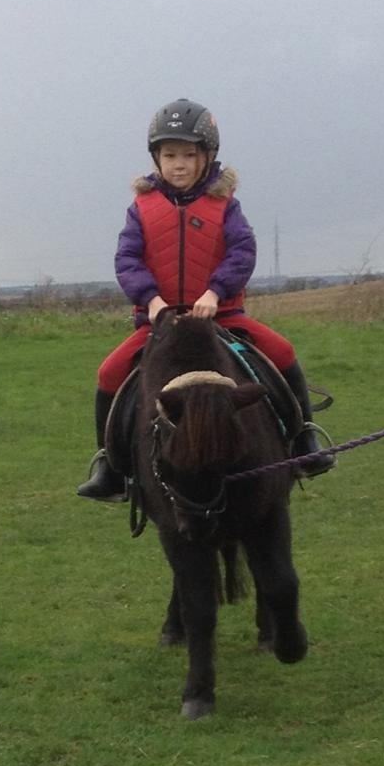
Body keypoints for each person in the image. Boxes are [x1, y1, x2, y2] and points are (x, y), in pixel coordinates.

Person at [77, 98, 332, 499]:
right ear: (156, 158)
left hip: (221, 316)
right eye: (170, 155)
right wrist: (153, 301)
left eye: (188, 155)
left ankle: (304, 441)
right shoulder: (140, 209)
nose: (178, 164)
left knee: (282, 352)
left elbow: (242, 251)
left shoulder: (225, 205)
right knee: (109, 373)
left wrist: (215, 292)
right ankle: (110, 466)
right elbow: (127, 258)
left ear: (207, 156)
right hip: (160, 323)